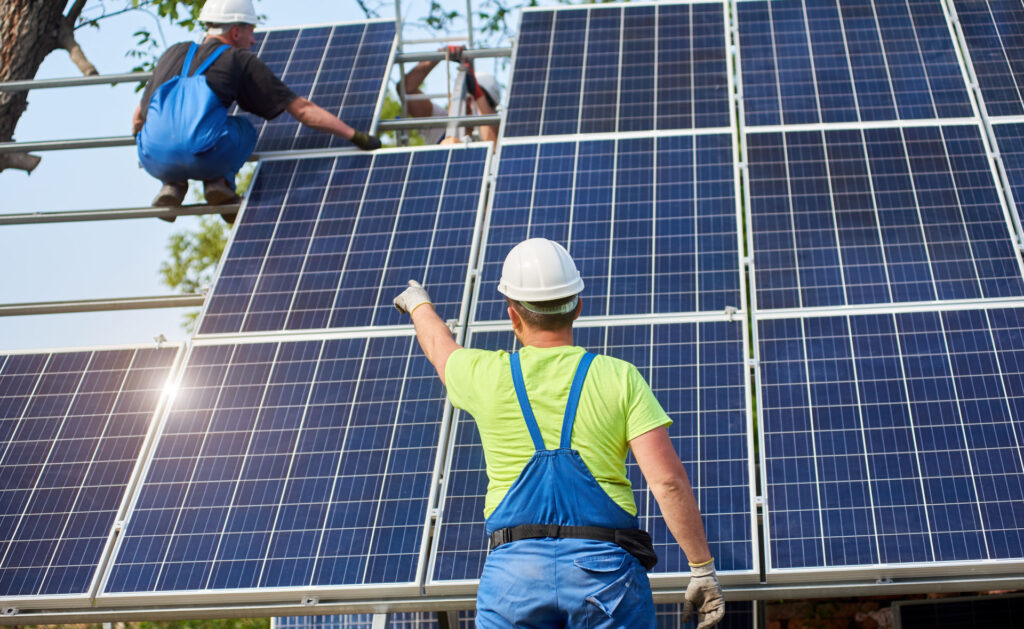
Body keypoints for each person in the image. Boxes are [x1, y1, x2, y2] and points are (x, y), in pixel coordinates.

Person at [393, 238, 725, 628]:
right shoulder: (619, 377)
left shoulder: (484, 374)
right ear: (578, 307)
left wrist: (419, 304)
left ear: (513, 316)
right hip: (605, 578)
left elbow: (438, 344)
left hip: (513, 581)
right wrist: (701, 568)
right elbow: (667, 481)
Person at [132, 0, 381, 220]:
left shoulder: (172, 53)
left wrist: (154, 152)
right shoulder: (237, 59)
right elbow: (302, 110)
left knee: (173, 135)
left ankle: (172, 185)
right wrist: (356, 136)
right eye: (251, 32)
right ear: (236, 31)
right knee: (244, 128)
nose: (253, 40)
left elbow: (138, 118)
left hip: (152, 158)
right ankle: (219, 183)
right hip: (205, 156)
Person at [400, 45, 500, 145]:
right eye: (466, 96)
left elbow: (494, 146)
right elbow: (406, 89)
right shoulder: (439, 121)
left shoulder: (485, 136)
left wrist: (477, 94)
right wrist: (436, 57)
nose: (469, 104)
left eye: (475, 99)